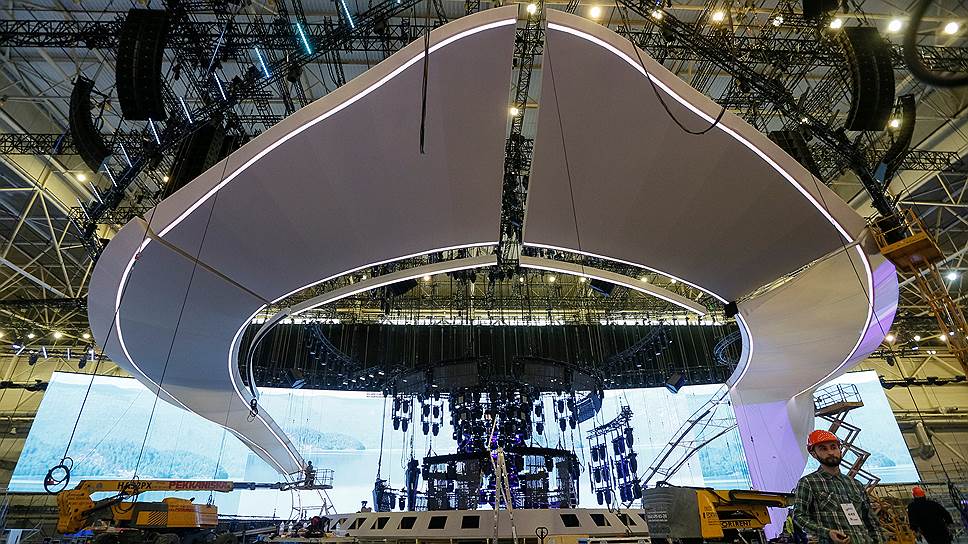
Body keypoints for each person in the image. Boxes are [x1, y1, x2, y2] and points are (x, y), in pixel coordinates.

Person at [793, 430, 882, 544]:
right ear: (814, 454)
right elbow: (799, 516)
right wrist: (827, 533)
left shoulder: (856, 484)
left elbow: (871, 521)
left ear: (840, 450)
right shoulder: (808, 483)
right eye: (823, 449)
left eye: (833, 447)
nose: (830, 452)